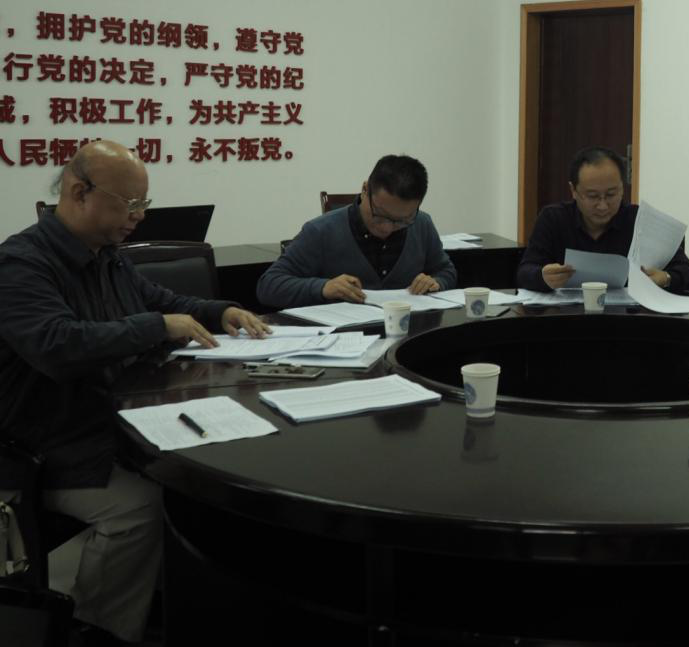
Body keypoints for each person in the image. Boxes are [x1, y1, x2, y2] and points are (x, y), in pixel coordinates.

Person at [0, 141, 270, 644]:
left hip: (103, 422)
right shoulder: (21, 264)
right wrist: (156, 326)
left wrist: (220, 311)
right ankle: (97, 627)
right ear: (79, 192)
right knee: (140, 505)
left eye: (143, 203)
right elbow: (57, 345)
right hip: (42, 445)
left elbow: (161, 301)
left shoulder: (107, 257)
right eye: (129, 203)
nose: (140, 216)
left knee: (200, 472)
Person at [257, 154, 456, 309]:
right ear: (365, 189)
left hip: (408, 335)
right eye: (380, 215)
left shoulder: (421, 224)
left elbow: (446, 271)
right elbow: (269, 285)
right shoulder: (321, 231)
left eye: (401, 221)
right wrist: (323, 288)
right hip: (343, 339)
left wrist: (436, 282)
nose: (387, 228)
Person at [517, 146, 689, 294]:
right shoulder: (553, 219)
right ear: (573, 190)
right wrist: (542, 277)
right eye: (592, 196)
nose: (603, 206)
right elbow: (524, 272)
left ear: (622, 189)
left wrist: (666, 278)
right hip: (567, 318)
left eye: (611, 194)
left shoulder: (641, 221)